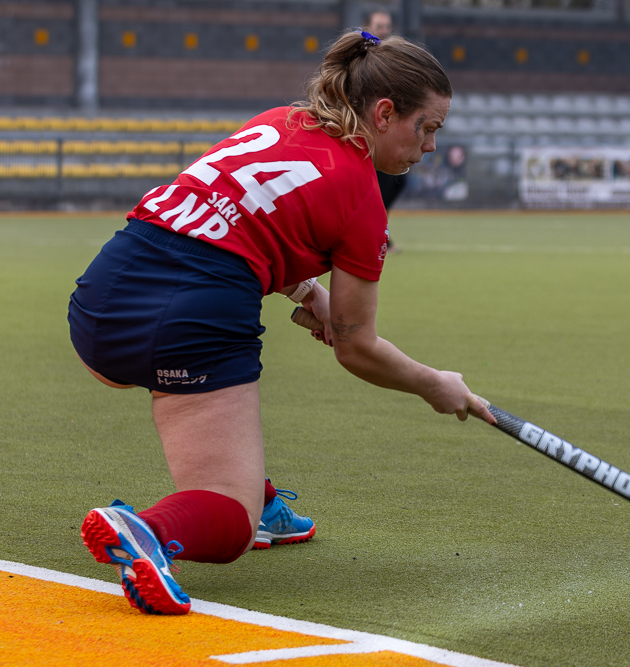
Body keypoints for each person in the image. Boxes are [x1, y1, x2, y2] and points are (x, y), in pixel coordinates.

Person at [68, 30, 495, 616]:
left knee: (157, 376)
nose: (430, 145)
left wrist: (308, 290)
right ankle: (148, 529)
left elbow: (233, 214)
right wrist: (434, 384)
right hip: (196, 314)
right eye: (428, 127)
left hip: (105, 294)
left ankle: (256, 490)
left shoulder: (285, 120)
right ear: (385, 112)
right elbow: (357, 349)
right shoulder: (364, 199)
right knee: (230, 523)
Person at [364, 8, 407, 251]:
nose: (383, 30)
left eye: (386, 26)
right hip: (368, 131)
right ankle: (376, 236)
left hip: (386, 129)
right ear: (367, 27)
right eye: (379, 25)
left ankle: (379, 231)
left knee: (397, 180)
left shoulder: (392, 58)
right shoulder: (360, 56)